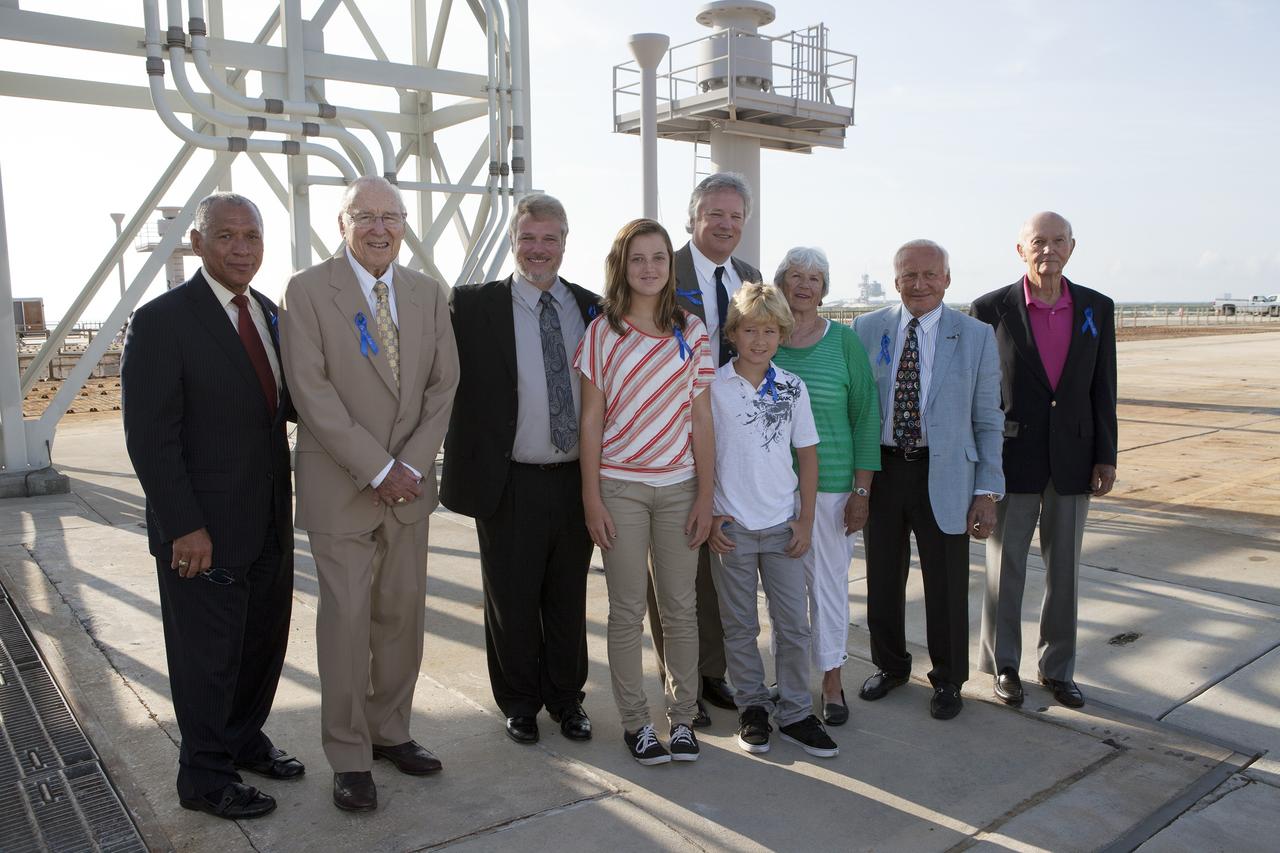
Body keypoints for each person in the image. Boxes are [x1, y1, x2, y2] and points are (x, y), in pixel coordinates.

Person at [279, 176, 459, 812]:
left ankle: (391, 732)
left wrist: (407, 467)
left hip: (409, 490)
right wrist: (379, 469)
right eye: (366, 216)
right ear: (342, 224)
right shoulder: (306, 292)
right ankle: (349, 754)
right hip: (343, 487)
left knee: (401, 619)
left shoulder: (426, 294)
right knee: (348, 625)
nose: (379, 228)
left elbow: (444, 386)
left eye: (391, 216)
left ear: (405, 225)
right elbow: (311, 392)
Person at [122, 192, 299, 820]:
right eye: (226, 236)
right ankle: (203, 777)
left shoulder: (273, 316)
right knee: (207, 659)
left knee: (259, 646)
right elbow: (150, 437)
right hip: (203, 532)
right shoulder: (163, 320)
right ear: (198, 242)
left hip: (271, 522)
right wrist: (184, 526)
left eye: (252, 235)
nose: (242, 248)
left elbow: (287, 409)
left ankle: (243, 740)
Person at [440, 194, 599, 746]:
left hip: (578, 478)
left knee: (566, 594)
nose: (539, 249)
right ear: (514, 241)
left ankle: (567, 699)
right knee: (510, 596)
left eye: (549, 238)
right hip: (507, 479)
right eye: (529, 238)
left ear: (564, 243)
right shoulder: (470, 306)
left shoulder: (591, 308)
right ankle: (520, 702)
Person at [576, 218, 715, 765]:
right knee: (626, 610)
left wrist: (707, 494)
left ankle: (682, 720)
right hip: (620, 489)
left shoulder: (694, 330)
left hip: (681, 488)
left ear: (669, 264)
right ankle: (636, 721)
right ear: (622, 265)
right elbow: (591, 422)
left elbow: (701, 419)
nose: (650, 268)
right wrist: (591, 497)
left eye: (659, 257)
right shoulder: (602, 333)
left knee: (681, 609)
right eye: (638, 258)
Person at [852, 239, 1004, 720]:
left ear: (947, 279)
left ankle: (948, 681)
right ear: (895, 279)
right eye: (908, 275)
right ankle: (891, 666)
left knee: (946, 583)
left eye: (929, 275)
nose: (919, 284)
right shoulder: (865, 328)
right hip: (885, 468)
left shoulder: (976, 336)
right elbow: (857, 407)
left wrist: (987, 491)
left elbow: (988, 418)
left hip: (947, 473)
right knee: (882, 576)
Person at [971, 211, 1117, 709]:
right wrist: (981, 468)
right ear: (1020, 250)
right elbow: (979, 395)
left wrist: (1106, 455)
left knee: (1066, 572)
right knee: (1004, 568)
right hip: (1012, 459)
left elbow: (1104, 388)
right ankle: (1004, 666)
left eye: (1058, 241)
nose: (1048, 250)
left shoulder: (1097, 307)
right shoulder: (990, 310)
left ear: (1072, 248)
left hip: (1075, 460)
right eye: (1038, 241)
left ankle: (1058, 668)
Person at [708, 282, 840, 759]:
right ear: (733, 334)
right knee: (740, 626)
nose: (759, 340)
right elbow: (703, 455)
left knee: (793, 625)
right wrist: (710, 512)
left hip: (783, 525)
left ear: (781, 334)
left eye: (768, 330)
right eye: (749, 330)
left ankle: (798, 714)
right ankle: (753, 709)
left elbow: (807, 457)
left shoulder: (792, 387)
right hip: (733, 529)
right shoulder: (714, 388)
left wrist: (805, 521)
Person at [658, 171, 764, 723]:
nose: (725, 225)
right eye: (715, 215)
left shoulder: (749, 276)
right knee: (678, 567)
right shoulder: (661, 272)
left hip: (735, 437)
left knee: (724, 558)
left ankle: (713, 672)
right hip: (673, 436)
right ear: (693, 218)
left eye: (735, 217)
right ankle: (682, 684)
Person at [772, 247, 881, 727]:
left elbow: (865, 418)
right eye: (795, 276)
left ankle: (832, 678)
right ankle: (790, 678)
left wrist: (862, 492)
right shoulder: (765, 338)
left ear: (824, 289)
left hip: (835, 488)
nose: (804, 285)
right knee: (782, 592)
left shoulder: (844, 342)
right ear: (781, 283)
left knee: (829, 589)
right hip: (773, 490)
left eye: (814, 278)